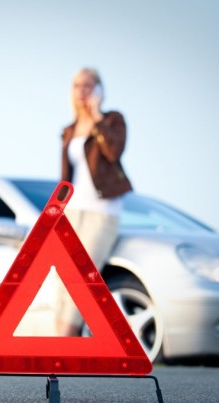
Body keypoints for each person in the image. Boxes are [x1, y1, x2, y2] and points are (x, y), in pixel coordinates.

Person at [57, 67, 133, 336]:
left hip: (102, 211)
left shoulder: (112, 120)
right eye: (78, 85)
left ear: (99, 90)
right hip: (73, 211)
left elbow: (113, 153)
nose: (83, 91)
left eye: (89, 86)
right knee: (64, 278)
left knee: (82, 277)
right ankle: (60, 347)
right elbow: (67, 176)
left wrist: (97, 115)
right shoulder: (68, 130)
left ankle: (65, 342)